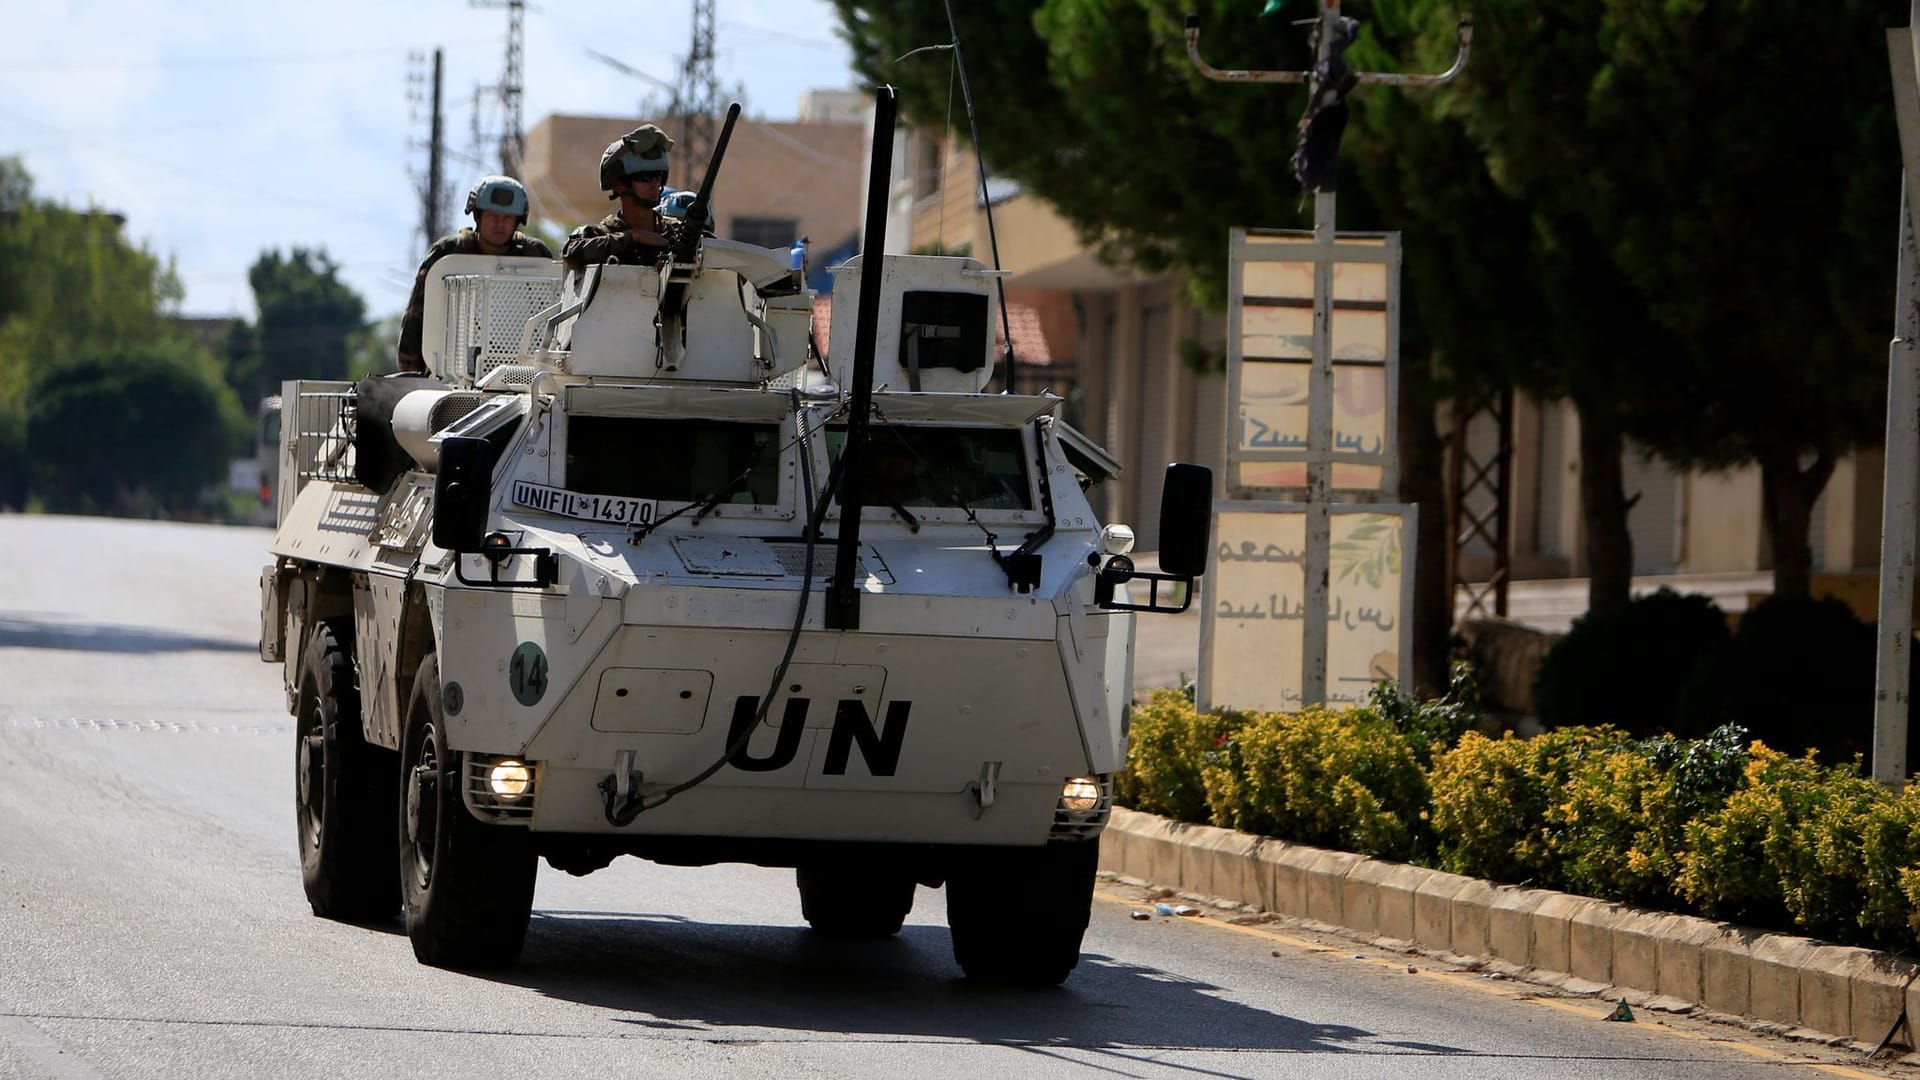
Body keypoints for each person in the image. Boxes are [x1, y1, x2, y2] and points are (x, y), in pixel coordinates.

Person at [394, 174, 554, 374]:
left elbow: (552, 315)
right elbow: (418, 313)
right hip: (450, 368)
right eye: (492, 216)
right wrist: (411, 368)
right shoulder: (449, 253)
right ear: (477, 215)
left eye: (507, 217)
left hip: (520, 370)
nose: (500, 224)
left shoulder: (535, 255)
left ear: (517, 221)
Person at [561, 124, 678, 271]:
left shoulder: (674, 231)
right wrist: (632, 237)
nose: (654, 184)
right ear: (620, 185)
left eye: (658, 176)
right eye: (644, 177)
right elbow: (571, 253)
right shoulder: (603, 233)